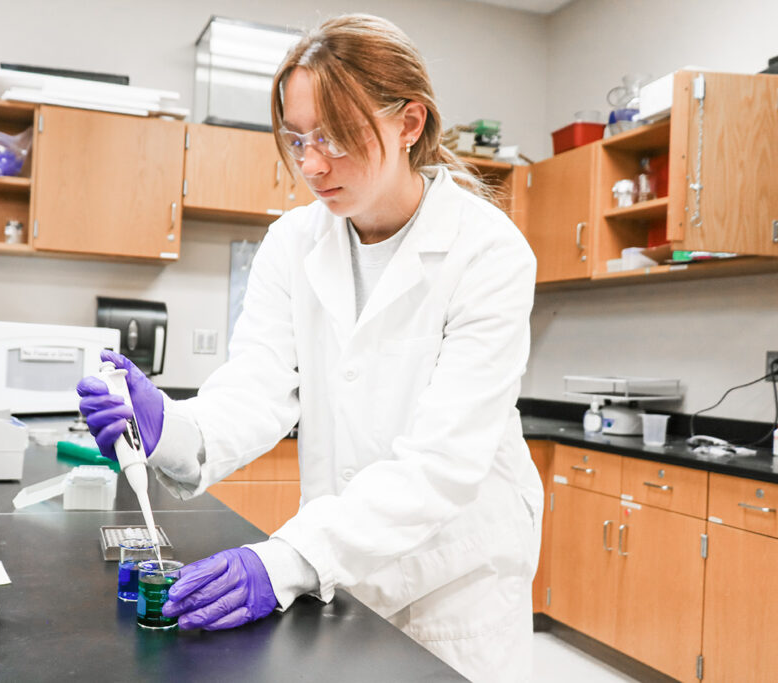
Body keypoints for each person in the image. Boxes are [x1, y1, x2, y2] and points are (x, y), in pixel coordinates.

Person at [77, 13, 542, 682]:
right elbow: (259, 386)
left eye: (335, 137)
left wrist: (283, 559)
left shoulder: (489, 254)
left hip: (456, 578)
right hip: (343, 564)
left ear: (410, 123)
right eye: (297, 140)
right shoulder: (296, 242)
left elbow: (441, 463)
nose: (312, 164)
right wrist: (172, 427)